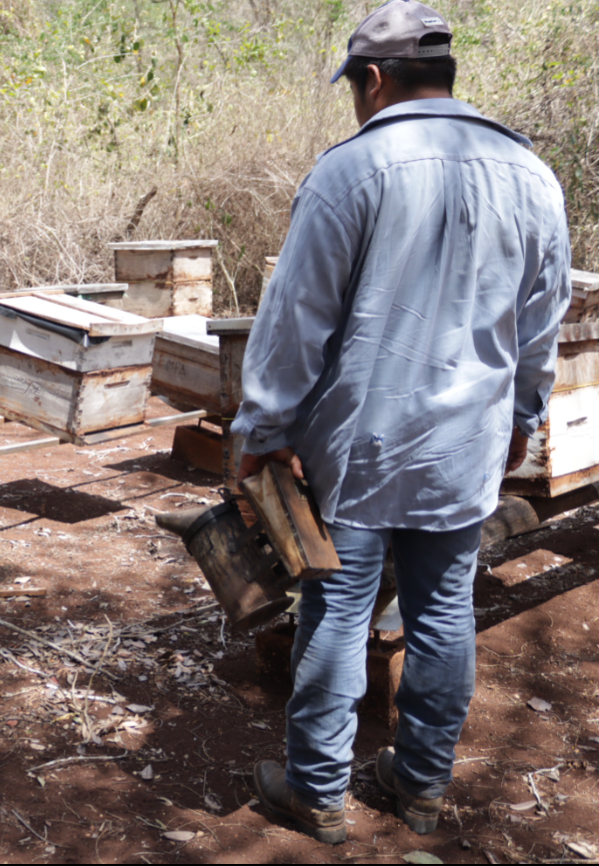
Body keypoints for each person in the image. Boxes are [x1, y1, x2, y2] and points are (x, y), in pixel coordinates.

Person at [232, 0, 572, 844]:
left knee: (338, 611)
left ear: (374, 81)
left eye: (354, 86)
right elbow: (542, 321)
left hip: (360, 445)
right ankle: (418, 786)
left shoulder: (351, 170)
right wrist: (524, 415)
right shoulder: (532, 175)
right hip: (466, 447)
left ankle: (314, 790)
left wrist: (263, 429)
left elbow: (295, 318)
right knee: (443, 612)